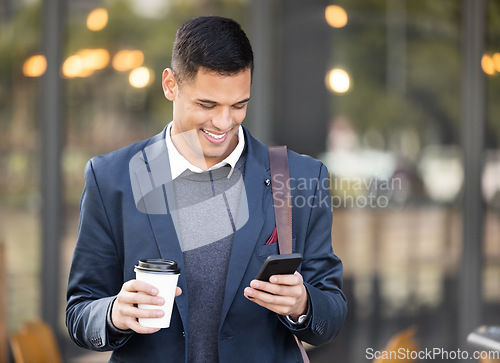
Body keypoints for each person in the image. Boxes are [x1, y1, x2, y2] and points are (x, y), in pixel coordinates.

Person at [66, 16, 347, 362]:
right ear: (170, 85)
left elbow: (332, 313)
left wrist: (303, 304)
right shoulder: (110, 179)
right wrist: (113, 314)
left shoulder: (301, 176)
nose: (224, 122)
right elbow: (80, 312)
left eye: (239, 105)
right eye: (207, 105)